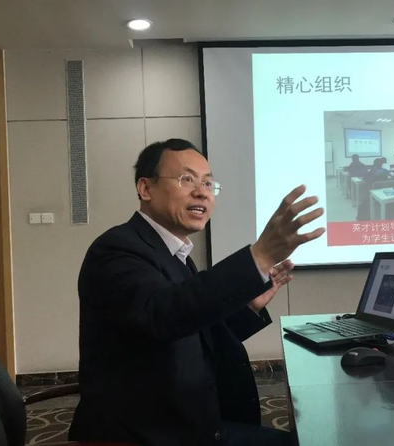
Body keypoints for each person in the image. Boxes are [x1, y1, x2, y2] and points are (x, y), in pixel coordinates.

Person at [69, 139, 324, 445]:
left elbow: (196, 334)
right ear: (146, 188)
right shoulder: (117, 250)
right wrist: (257, 257)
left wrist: (248, 308)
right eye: (187, 179)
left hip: (191, 425)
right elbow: (164, 316)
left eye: (207, 183)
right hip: (147, 435)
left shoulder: (174, 254)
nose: (202, 192)